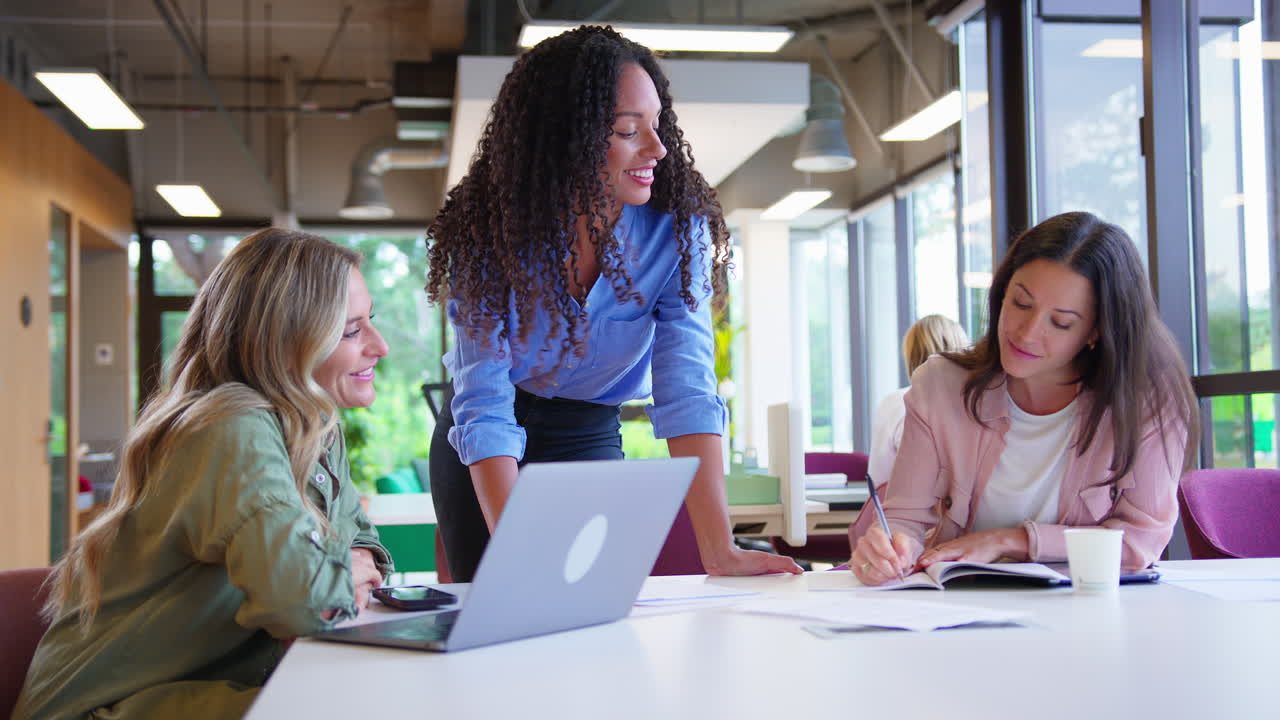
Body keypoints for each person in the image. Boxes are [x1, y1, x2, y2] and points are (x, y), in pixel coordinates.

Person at [425, 25, 802, 582]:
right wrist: (515, 550)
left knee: (589, 610)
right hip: (484, 446)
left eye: (657, 125)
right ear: (565, 138)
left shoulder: (677, 232)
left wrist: (719, 550)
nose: (658, 148)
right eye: (630, 131)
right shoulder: (491, 235)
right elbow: (484, 401)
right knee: (498, 616)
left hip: (586, 431)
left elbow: (687, 388)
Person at [14, 229, 393, 719]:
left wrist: (348, 568)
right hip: (112, 706)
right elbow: (303, 604)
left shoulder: (315, 425)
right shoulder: (233, 427)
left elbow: (361, 546)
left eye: (371, 322)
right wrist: (344, 575)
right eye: (350, 330)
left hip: (204, 689)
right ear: (285, 342)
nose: (380, 346)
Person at [850, 212, 1198, 585]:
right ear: (1002, 292)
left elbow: (1139, 544)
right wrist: (892, 547)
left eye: (1061, 322)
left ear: (1096, 330)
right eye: (1020, 303)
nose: (1027, 333)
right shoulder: (940, 385)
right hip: (958, 607)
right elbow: (906, 519)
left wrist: (1012, 541)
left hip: (1087, 609)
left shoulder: (1147, 402)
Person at [867, 314, 970, 486]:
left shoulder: (896, 403)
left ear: (911, 355)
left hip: (907, 509)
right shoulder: (978, 404)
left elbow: (879, 483)